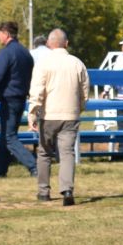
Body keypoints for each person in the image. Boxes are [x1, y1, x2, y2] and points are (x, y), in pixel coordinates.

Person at [27, 28, 88, 206]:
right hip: (70, 114)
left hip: (49, 115)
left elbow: (37, 90)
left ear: (48, 44)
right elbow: (84, 92)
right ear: (66, 43)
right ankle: (67, 189)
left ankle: (43, 191)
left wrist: (32, 114)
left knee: (44, 153)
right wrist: (78, 109)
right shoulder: (77, 63)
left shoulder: (43, 64)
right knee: (67, 153)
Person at [0, 21, 37, 177]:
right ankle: (0, 171)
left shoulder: (6, 53)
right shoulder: (25, 53)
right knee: (7, 135)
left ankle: (35, 166)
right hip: (21, 98)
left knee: (9, 137)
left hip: (8, 99)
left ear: (7, 34)